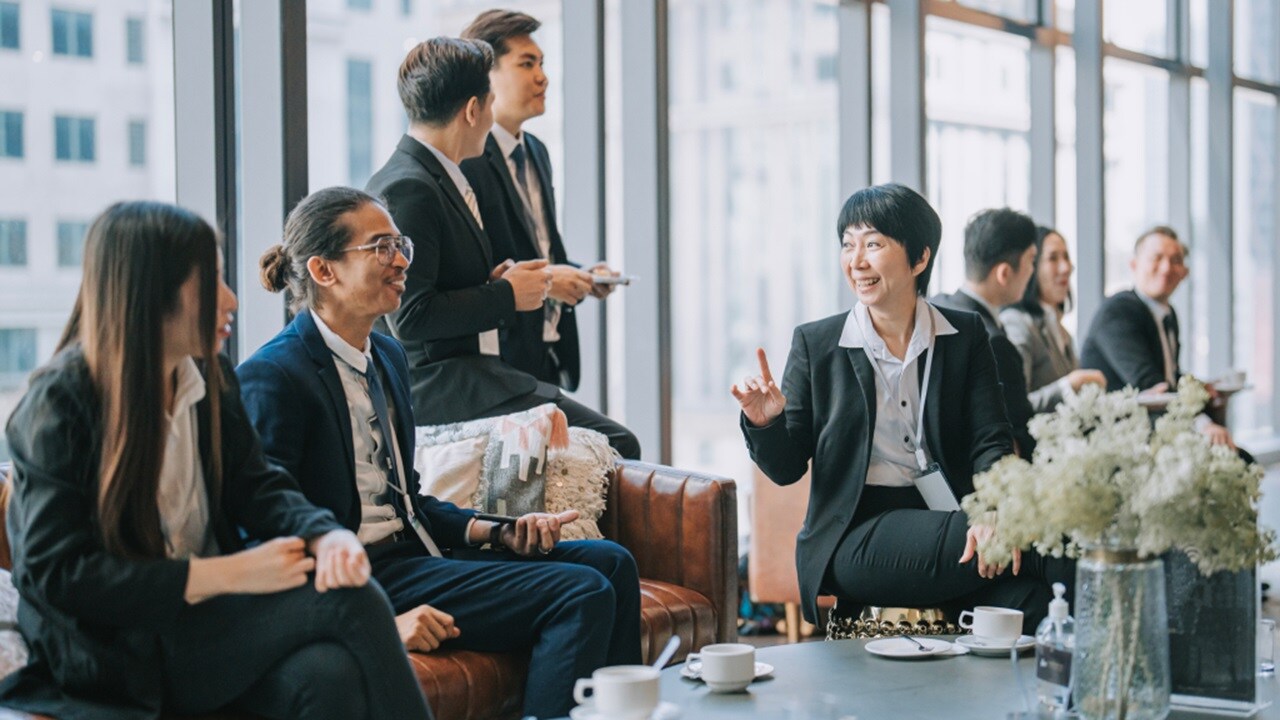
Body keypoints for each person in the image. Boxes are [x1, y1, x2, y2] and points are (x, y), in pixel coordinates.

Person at [0, 201, 431, 720]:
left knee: (328, 674)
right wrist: (227, 574)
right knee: (352, 602)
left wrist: (325, 535)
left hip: (202, 630)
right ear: (151, 292)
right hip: (112, 655)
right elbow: (59, 574)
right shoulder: (60, 404)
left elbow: (258, 486)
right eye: (211, 281)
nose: (230, 300)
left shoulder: (209, 376)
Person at [237, 186, 642, 720]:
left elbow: (408, 502)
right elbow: (267, 536)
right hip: (367, 579)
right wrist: (371, 615)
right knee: (579, 592)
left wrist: (496, 529)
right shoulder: (275, 377)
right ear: (324, 270)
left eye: (399, 244)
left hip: (414, 555)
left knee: (613, 563)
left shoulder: (385, 354)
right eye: (381, 248)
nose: (402, 260)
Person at [733, 184, 1071, 633]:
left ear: (920, 259)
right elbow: (786, 467)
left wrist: (994, 510)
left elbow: (990, 440)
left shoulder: (965, 335)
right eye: (848, 245)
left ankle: (1072, 690)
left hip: (950, 520)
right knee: (1051, 542)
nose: (856, 261)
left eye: (873, 244)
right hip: (857, 534)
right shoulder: (818, 345)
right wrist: (766, 421)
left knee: (1038, 599)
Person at [365, 36, 639, 459]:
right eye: (489, 104)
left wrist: (495, 282)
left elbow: (436, 283)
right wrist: (507, 294)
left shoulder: (429, 175)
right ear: (473, 110)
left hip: (473, 373)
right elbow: (410, 315)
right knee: (617, 444)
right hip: (440, 385)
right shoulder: (410, 187)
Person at [460, 9, 620, 391]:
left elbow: (537, 246)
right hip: (500, 359)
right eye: (526, 63)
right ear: (487, 75)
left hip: (547, 351)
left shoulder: (537, 151)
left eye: (542, 63)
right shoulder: (467, 159)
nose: (542, 77)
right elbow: (476, 271)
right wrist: (550, 281)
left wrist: (579, 274)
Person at [1080, 226, 1237, 448]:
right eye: (1157, 258)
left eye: (1175, 260)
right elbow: (1150, 386)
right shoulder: (1118, 312)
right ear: (1134, 265)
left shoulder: (1168, 315)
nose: (1166, 268)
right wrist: (1202, 425)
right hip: (1115, 439)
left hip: (1156, 431)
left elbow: (1168, 377)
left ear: (1185, 272)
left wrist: (1202, 389)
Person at [931, 208, 1039, 458]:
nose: (1033, 271)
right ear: (1004, 273)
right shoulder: (993, 343)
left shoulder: (934, 308)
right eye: (1031, 260)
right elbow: (1021, 435)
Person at [999, 226, 1105, 413]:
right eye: (1053, 258)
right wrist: (1069, 386)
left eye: (1066, 257)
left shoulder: (1062, 332)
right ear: (1030, 265)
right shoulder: (1016, 323)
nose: (1066, 268)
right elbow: (1015, 406)